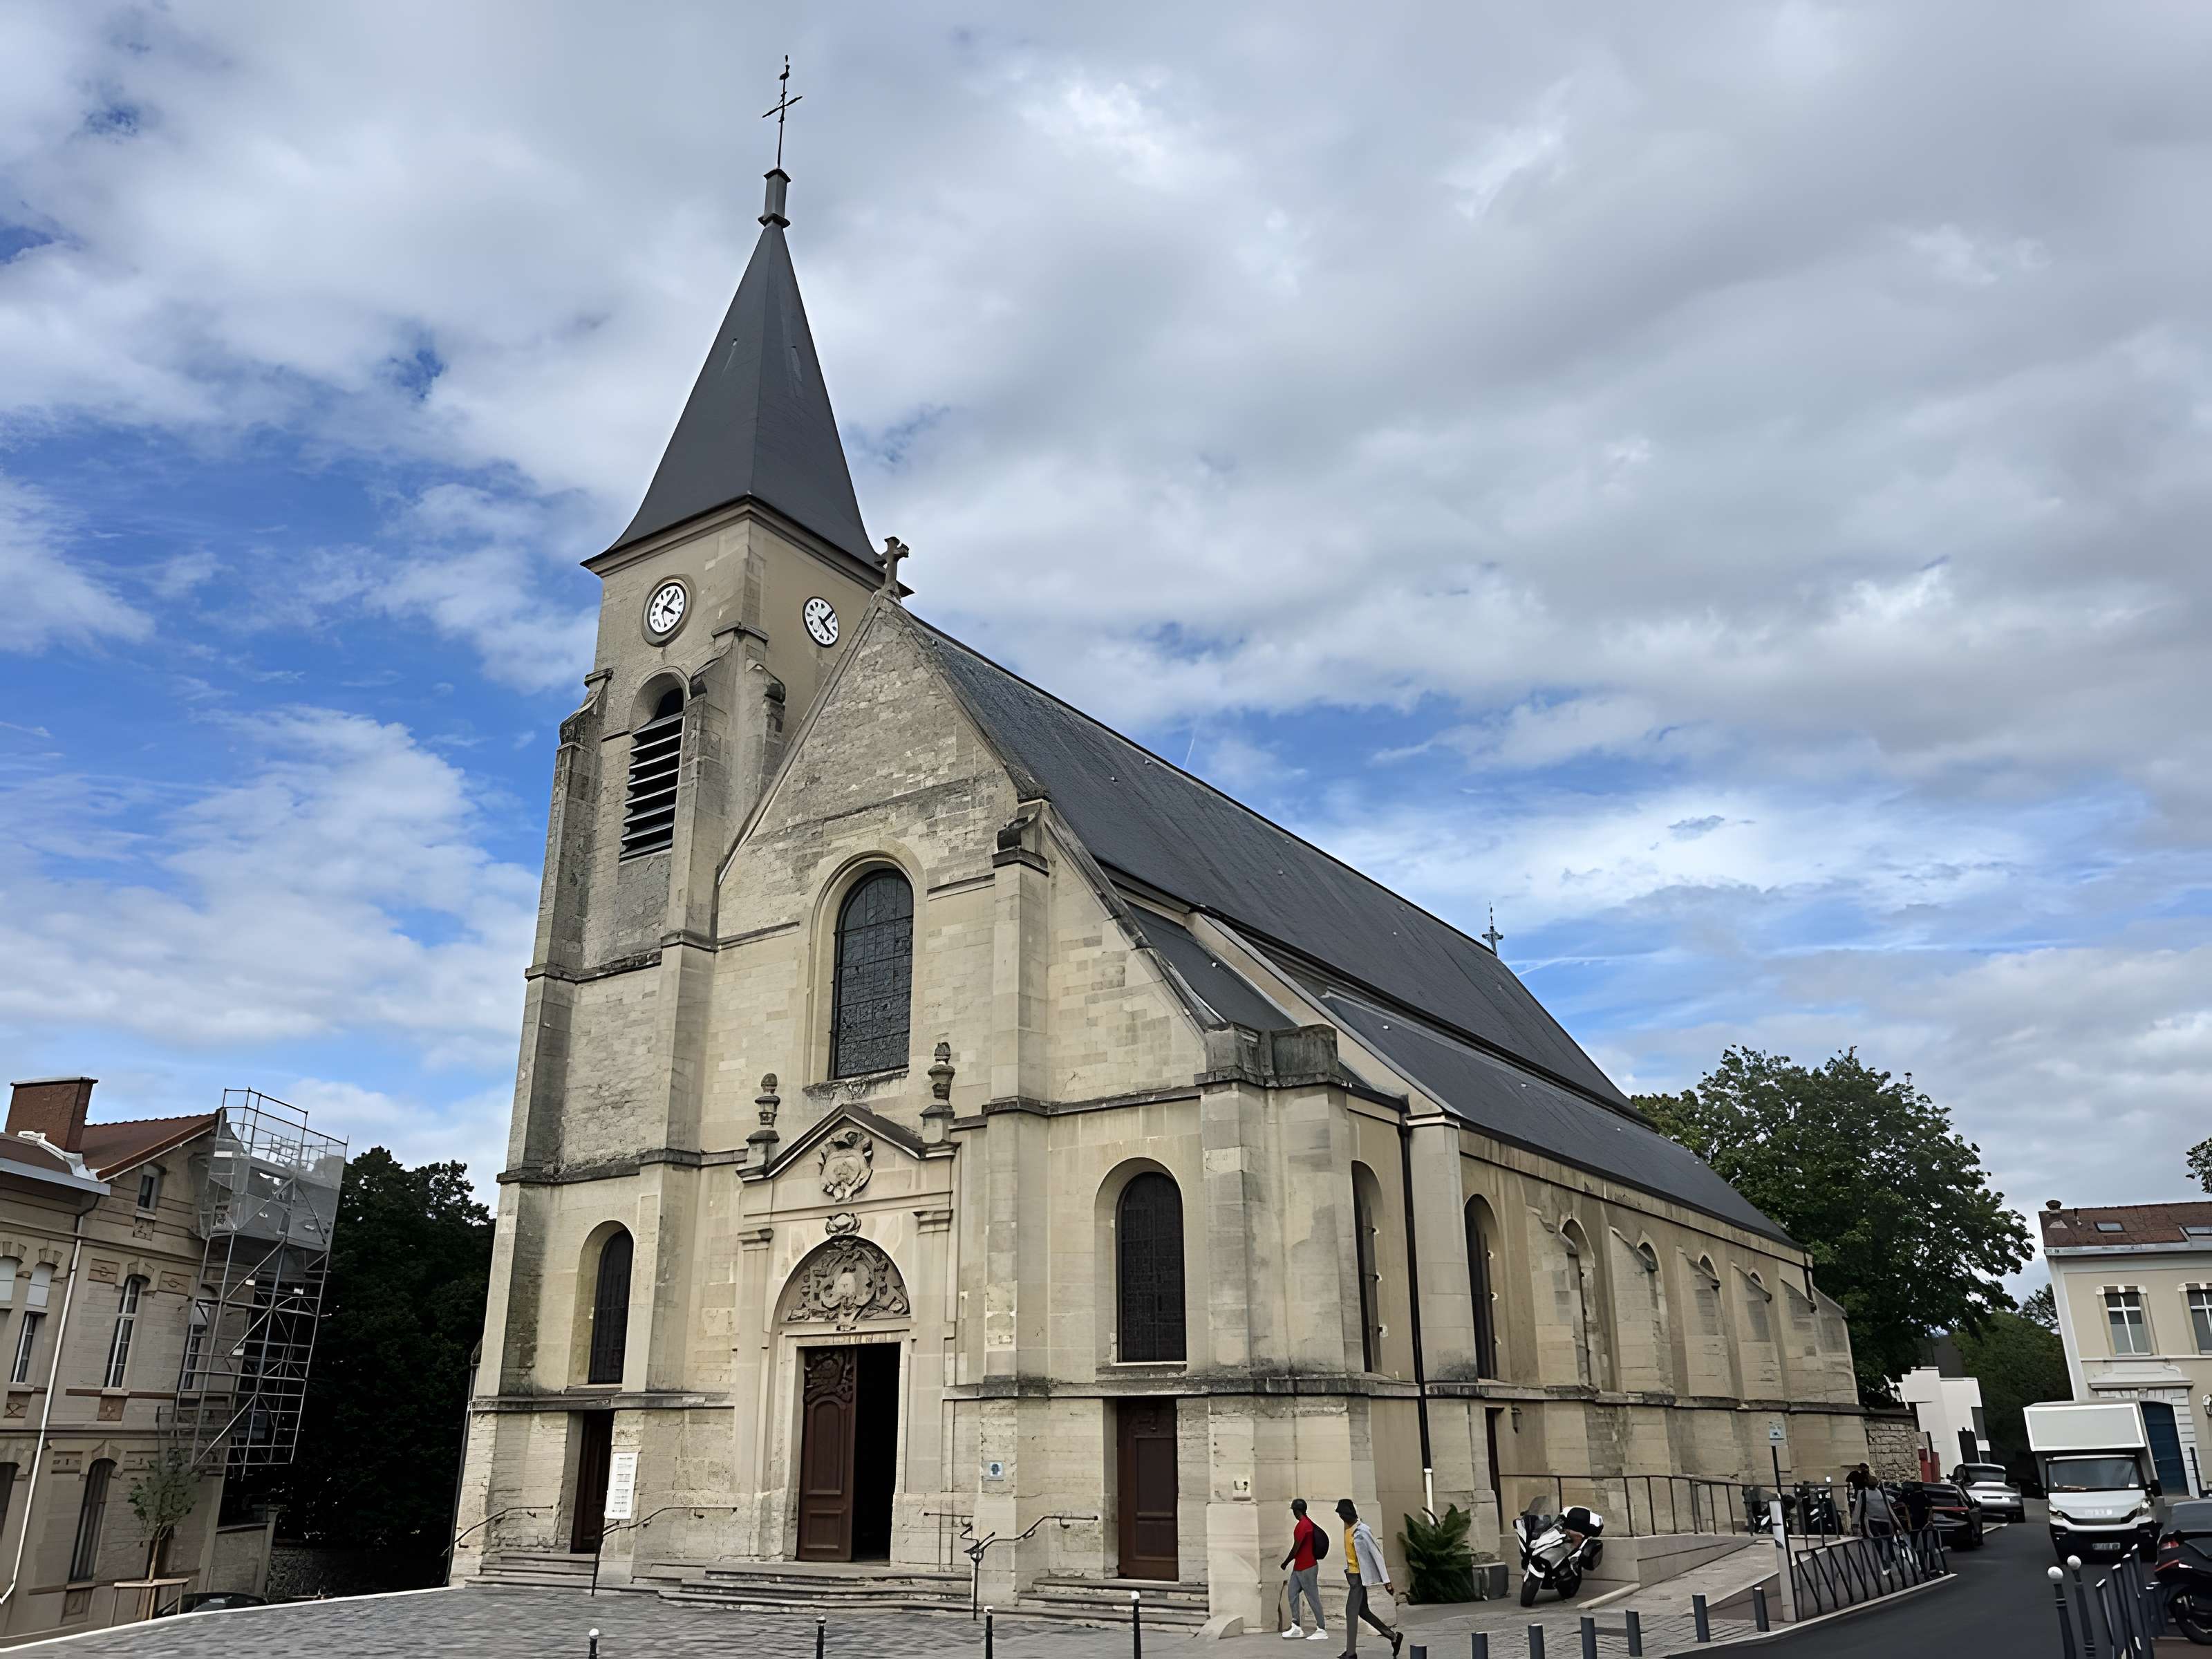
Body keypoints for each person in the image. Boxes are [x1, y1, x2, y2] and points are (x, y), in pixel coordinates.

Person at [1333, 1499, 1403, 1659]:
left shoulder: (1362, 1531)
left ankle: (1351, 1653)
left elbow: (1377, 1555)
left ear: (1350, 1514)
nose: (1341, 1518)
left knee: (1351, 1612)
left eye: (1343, 1514)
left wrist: (1387, 1581)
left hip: (1358, 1579)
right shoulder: (1347, 1528)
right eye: (1339, 1515)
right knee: (1363, 1612)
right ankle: (1394, 1637)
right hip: (1352, 1576)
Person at [1280, 1498, 1328, 1640]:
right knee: (1292, 1593)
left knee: (1313, 1598)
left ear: (1297, 1511)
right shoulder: (1306, 1523)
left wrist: (1285, 1562)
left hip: (1307, 1567)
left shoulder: (1303, 1525)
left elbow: (1296, 1548)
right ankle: (1296, 1627)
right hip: (1299, 1567)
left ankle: (1321, 1629)